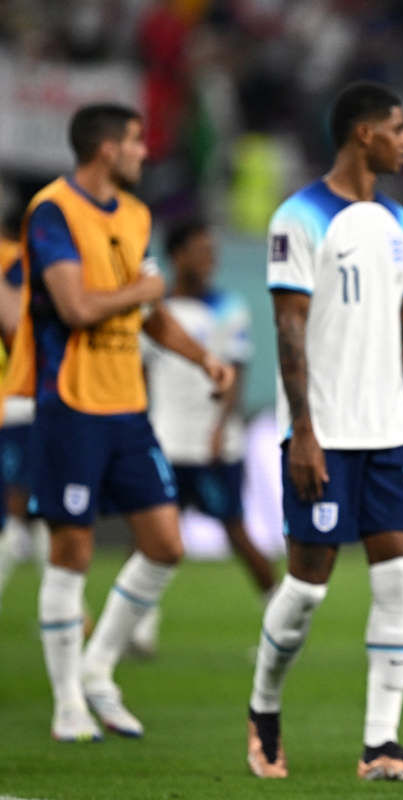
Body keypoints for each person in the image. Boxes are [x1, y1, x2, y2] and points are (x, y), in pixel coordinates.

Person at [3, 103, 235, 742]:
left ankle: (99, 670)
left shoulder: (135, 216)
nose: (143, 150)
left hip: (127, 407)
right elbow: (76, 306)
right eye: (135, 140)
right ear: (106, 149)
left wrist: (201, 358)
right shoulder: (53, 210)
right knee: (71, 551)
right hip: (69, 405)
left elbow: (147, 313)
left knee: (166, 544)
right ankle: (66, 703)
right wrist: (145, 291)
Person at [245, 81, 403, 784]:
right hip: (325, 432)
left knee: (398, 578)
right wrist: (303, 431)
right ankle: (263, 710)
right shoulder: (299, 217)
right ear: (364, 134)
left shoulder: (402, 223)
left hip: (391, 430)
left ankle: (381, 744)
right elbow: (288, 328)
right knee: (306, 588)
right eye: (398, 127)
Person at [134, 218, 277, 654]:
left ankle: (279, 619)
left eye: (212, 252)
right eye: (201, 251)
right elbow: (139, 373)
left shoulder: (228, 307)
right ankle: (140, 628)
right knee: (152, 536)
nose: (209, 260)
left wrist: (220, 427)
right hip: (165, 439)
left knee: (236, 530)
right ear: (178, 256)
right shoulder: (153, 311)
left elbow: (235, 371)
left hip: (215, 444)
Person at [0, 204, 49, 617]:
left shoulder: (16, 263)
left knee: (36, 509)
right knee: (22, 514)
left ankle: (66, 608)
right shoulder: (17, 262)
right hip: (21, 403)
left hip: (24, 402)